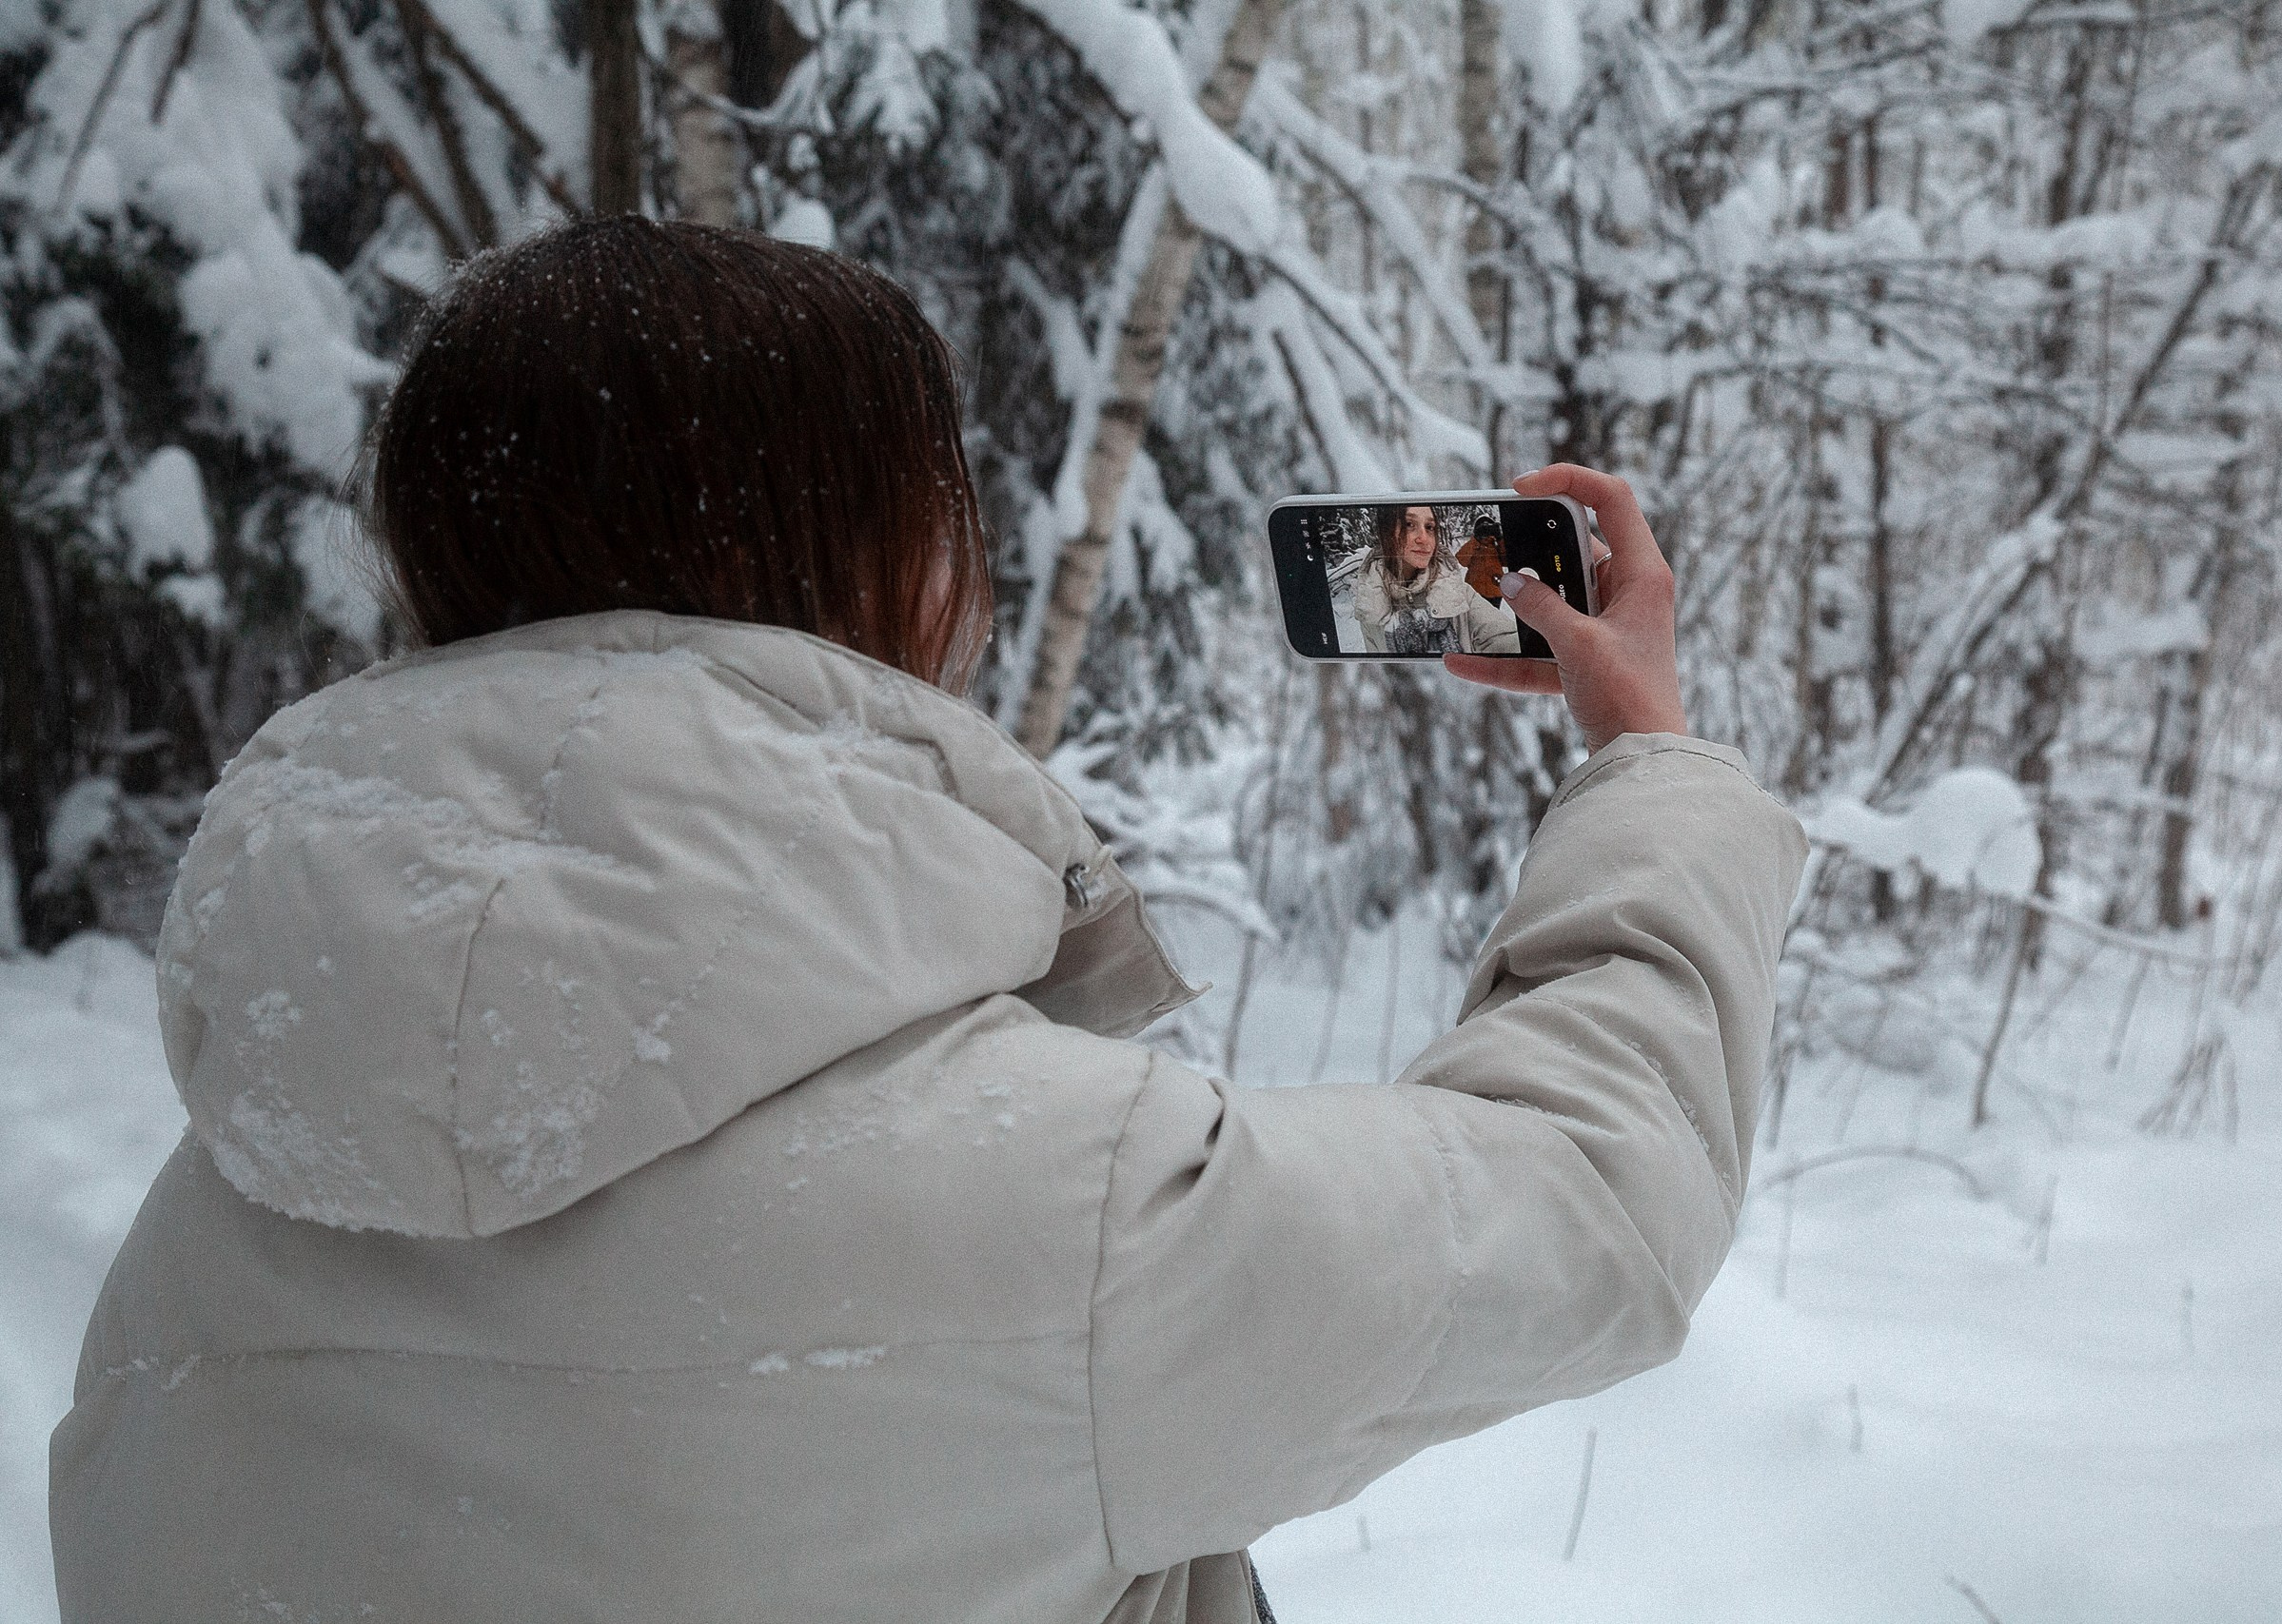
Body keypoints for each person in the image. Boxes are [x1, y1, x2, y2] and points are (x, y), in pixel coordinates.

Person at [49, 217, 1805, 1624]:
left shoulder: (196, 1241)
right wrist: (1648, 756)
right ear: (897, 567)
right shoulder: (1082, 1227)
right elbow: (1598, 1196)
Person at [1350, 503, 1521, 655]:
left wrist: (1499, 538)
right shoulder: (1371, 605)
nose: (1423, 538)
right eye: (1409, 524)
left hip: (1493, 588)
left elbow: (1501, 638)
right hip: (1477, 583)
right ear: (1386, 533)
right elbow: (1462, 558)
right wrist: (1476, 540)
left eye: (1430, 527)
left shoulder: (1460, 595)